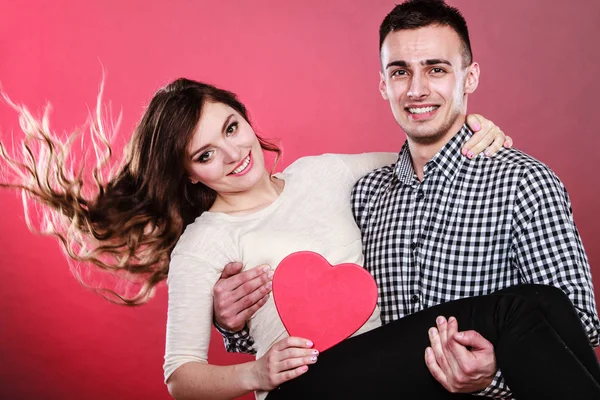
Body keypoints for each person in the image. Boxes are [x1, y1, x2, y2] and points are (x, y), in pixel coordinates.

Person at [2, 78, 600, 400]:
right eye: (206, 153)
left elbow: (419, 156)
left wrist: (475, 127)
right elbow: (179, 376)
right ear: (191, 173)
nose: (234, 154)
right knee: (522, 309)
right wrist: (255, 374)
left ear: (245, 117)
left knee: (545, 305)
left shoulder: (323, 174)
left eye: (232, 128)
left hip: (387, 376)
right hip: (306, 389)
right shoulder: (204, 242)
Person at [212, 0, 600, 398]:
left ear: (470, 77)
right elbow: (312, 320)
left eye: (436, 69)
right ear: (383, 84)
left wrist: (493, 374)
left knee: (534, 306)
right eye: (401, 72)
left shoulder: (523, 183)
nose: (417, 90)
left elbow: (579, 324)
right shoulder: (364, 195)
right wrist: (234, 320)